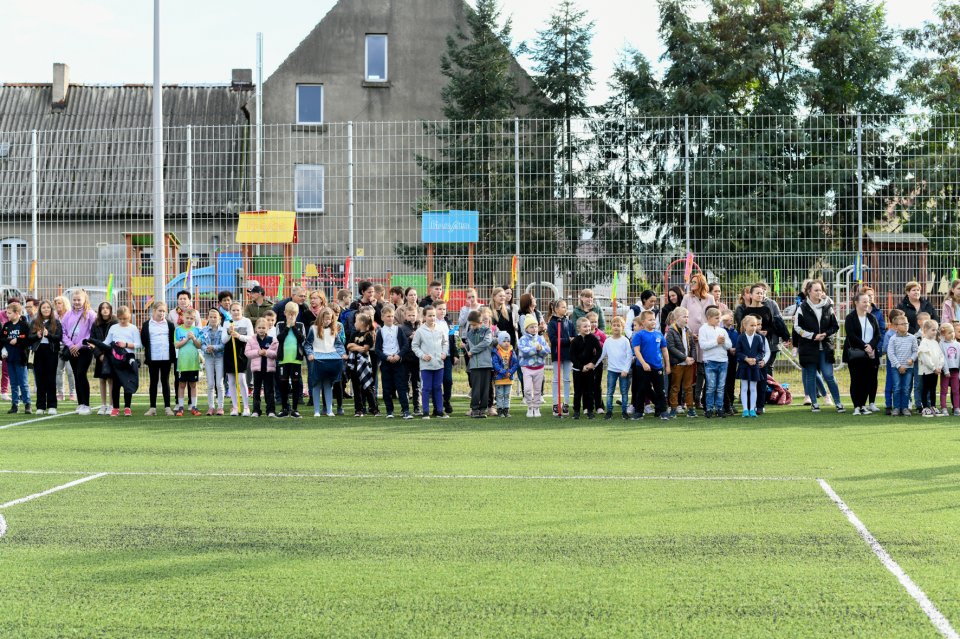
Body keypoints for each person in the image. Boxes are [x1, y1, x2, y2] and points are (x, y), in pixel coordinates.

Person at [794, 280, 844, 413]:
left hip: (825, 348)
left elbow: (835, 326)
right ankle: (814, 403)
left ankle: (838, 402)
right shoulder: (802, 308)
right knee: (810, 375)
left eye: (820, 290)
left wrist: (825, 334)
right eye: (815, 290)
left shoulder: (828, 306)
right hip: (809, 348)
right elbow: (797, 328)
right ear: (808, 292)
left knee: (829, 375)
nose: (818, 293)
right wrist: (812, 336)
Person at [842, 291, 881, 416]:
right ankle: (856, 406)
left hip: (870, 354)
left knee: (867, 380)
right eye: (864, 301)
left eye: (868, 301)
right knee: (856, 380)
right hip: (856, 354)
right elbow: (851, 335)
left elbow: (877, 335)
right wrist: (865, 346)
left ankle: (863, 405)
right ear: (856, 303)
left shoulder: (872, 317)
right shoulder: (850, 318)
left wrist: (871, 346)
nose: (867, 304)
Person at [305, 307, 347, 417]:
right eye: (325, 319)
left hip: (331, 358)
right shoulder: (313, 329)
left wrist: (342, 353)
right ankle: (317, 411)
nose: (327, 321)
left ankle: (329, 410)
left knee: (328, 384)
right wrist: (310, 354)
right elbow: (308, 344)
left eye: (330, 319)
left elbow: (338, 344)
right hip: (317, 358)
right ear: (320, 318)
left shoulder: (334, 329)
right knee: (316, 384)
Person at [681, 274, 715, 410]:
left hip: (705, 339)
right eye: (691, 282)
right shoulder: (687, 297)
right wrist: (690, 333)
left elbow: (713, 317)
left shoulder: (710, 298)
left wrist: (704, 334)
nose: (692, 284)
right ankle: (683, 400)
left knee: (701, 370)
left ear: (701, 283)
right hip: (690, 338)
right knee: (688, 368)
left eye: (694, 282)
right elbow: (681, 315)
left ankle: (698, 398)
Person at [61, 289, 96, 415]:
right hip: (72, 350)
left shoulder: (90, 314)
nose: (76, 302)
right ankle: (80, 403)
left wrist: (79, 345)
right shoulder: (68, 314)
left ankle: (86, 404)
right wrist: (71, 346)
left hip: (85, 350)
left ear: (84, 300)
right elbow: (63, 331)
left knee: (81, 374)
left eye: (79, 300)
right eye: (74, 300)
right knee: (76, 375)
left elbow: (92, 333)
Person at [102, 305, 141, 416]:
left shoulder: (133, 328)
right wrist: (95, 345)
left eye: (125, 318)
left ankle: (127, 407)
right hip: (116, 360)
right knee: (116, 384)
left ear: (129, 316)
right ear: (118, 317)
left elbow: (139, 345)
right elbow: (107, 342)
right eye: (121, 319)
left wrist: (126, 345)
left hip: (128, 359)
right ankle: (115, 408)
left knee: (127, 383)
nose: (123, 321)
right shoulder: (113, 328)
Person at [631, 310, 670, 420]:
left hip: (657, 366)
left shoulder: (659, 334)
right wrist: (643, 363)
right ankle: (639, 412)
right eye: (650, 319)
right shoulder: (639, 335)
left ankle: (663, 411)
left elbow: (665, 350)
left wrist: (667, 366)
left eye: (654, 319)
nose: (653, 321)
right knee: (641, 389)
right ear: (643, 322)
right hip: (643, 367)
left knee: (660, 390)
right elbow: (637, 351)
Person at [375, 304, 411, 419]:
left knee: (401, 387)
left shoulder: (398, 330)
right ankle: (389, 411)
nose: (390, 318)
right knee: (387, 388)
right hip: (386, 363)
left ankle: (405, 410)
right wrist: (386, 357)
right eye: (388, 316)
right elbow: (377, 349)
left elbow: (405, 345)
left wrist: (398, 355)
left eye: (392, 316)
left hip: (398, 362)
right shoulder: (380, 332)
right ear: (382, 318)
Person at [140, 301, 176, 417]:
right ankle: (152, 408)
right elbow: (144, 340)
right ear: (154, 311)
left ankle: (167, 408)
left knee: (165, 381)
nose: (162, 313)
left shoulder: (170, 325)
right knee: (153, 382)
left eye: (164, 311)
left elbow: (172, 340)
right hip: (153, 357)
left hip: (166, 357)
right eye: (160, 311)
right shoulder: (146, 325)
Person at [413, 305, 449, 419]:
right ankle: (426, 412)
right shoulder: (420, 331)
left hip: (439, 364)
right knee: (427, 388)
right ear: (424, 317)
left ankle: (439, 411)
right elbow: (414, 346)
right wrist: (423, 355)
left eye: (433, 315)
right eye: (429, 316)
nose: (432, 318)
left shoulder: (440, 329)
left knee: (438, 387)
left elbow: (445, 342)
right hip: (426, 365)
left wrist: (444, 353)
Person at [273, 301, 307, 418]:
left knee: (296, 383)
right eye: (289, 314)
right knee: (283, 383)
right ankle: (284, 408)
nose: (291, 316)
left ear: (297, 314)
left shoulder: (300, 325)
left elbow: (302, 338)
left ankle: (295, 409)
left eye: (294, 314)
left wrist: (293, 327)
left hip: (296, 359)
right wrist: (287, 327)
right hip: (283, 359)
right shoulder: (280, 325)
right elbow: (280, 338)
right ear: (285, 313)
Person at [28, 300, 62, 415]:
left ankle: (52, 405)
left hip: (51, 352)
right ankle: (40, 406)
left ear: (51, 310)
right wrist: (36, 335)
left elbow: (58, 338)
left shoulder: (56, 322)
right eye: (43, 308)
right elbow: (29, 337)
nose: (46, 309)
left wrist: (48, 335)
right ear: (40, 309)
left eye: (48, 307)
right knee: (40, 379)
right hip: (38, 352)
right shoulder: (34, 322)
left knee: (50, 379)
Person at [596, 315, 631, 420]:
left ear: (622, 327)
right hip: (611, 371)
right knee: (610, 391)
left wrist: (626, 369)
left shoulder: (625, 341)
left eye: (618, 325)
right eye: (614, 325)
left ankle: (624, 412)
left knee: (624, 392)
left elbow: (629, 356)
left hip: (623, 372)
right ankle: (609, 411)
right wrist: (594, 364)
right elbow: (602, 355)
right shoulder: (608, 341)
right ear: (611, 327)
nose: (616, 327)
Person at [665, 307, 697, 419]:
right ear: (677, 318)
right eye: (684, 317)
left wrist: (692, 358)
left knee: (688, 387)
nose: (687, 319)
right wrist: (684, 358)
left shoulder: (688, 330)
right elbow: (671, 347)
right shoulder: (671, 331)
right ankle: (673, 408)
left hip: (688, 364)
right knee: (675, 387)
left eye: (688, 316)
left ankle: (690, 409)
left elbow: (693, 345)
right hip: (678, 364)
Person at [223, 302, 253, 417]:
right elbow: (223, 340)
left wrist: (239, 336)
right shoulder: (227, 323)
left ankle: (246, 407)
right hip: (230, 353)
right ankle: (235, 407)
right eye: (233, 310)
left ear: (241, 311)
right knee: (231, 380)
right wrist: (229, 333)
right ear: (230, 312)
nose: (235, 312)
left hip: (241, 352)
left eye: (237, 310)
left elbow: (251, 338)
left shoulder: (246, 321)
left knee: (241, 379)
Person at [699, 307, 729, 419]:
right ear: (709, 318)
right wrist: (716, 342)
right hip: (710, 361)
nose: (719, 320)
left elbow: (729, 345)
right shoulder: (703, 329)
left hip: (723, 361)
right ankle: (709, 408)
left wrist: (724, 342)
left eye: (719, 318)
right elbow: (703, 345)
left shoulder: (722, 331)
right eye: (716, 318)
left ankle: (720, 408)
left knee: (721, 386)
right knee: (711, 386)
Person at [346, 313, 378, 416]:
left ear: (362, 323)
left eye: (356, 321)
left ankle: (374, 408)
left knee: (367, 386)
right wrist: (358, 347)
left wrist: (355, 347)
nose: (355, 323)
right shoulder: (354, 333)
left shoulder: (369, 334)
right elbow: (348, 346)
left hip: (364, 364)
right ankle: (358, 409)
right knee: (356, 387)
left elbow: (366, 349)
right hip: (354, 364)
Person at [736, 316, 769, 418]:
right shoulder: (741, 337)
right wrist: (746, 359)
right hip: (744, 366)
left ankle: (752, 409)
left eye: (755, 325)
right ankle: (745, 409)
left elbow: (761, 352)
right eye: (751, 325)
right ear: (745, 326)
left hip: (755, 367)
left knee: (753, 388)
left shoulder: (759, 338)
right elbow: (738, 352)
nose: (754, 327)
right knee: (745, 387)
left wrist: (755, 359)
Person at [245, 317, 279, 417]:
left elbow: (276, 353)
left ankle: (271, 411)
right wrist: (258, 352)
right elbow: (247, 353)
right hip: (257, 370)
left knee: (269, 390)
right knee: (256, 390)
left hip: (269, 370)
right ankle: (256, 410)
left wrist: (266, 352)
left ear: (267, 328)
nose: (261, 330)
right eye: (259, 328)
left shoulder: (272, 340)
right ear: (256, 329)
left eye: (263, 328)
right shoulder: (251, 340)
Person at [2, 301, 31, 414]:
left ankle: (27, 404)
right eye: (7, 313)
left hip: (21, 358)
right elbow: (2, 338)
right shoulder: (6, 326)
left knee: (23, 383)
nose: (7, 315)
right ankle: (15, 404)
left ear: (17, 313)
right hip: (10, 358)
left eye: (9, 313)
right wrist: (9, 340)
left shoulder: (24, 325)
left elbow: (27, 339)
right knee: (13, 383)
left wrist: (17, 340)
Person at [569, 317, 602, 420]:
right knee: (578, 391)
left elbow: (599, 351)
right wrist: (581, 366)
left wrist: (592, 363)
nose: (588, 328)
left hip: (590, 370)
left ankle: (590, 411)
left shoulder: (593, 338)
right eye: (585, 326)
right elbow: (572, 356)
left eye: (588, 326)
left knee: (589, 391)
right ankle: (576, 411)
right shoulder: (575, 341)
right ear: (579, 328)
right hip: (578, 370)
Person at [464, 309, 495, 418]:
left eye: (474, 325)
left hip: (486, 364)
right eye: (471, 325)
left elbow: (486, 342)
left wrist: (473, 350)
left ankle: (483, 409)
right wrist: (466, 348)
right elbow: (470, 347)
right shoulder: (469, 333)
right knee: (476, 389)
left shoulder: (487, 331)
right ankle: (475, 409)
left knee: (485, 389)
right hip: (475, 366)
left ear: (481, 323)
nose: (472, 327)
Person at [547, 299, 575, 417]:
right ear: (556, 309)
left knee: (567, 379)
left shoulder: (569, 323)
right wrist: (567, 340)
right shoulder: (552, 323)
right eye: (563, 307)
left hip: (568, 354)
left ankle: (566, 403)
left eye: (566, 307)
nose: (565, 309)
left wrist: (571, 340)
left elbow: (574, 336)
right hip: (557, 354)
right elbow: (553, 340)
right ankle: (555, 404)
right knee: (556, 379)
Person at [518, 315, 550, 417]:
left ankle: (536, 408)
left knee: (537, 390)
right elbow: (523, 352)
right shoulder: (522, 339)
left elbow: (547, 351)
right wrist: (535, 349)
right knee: (527, 389)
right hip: (526, 367)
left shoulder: (541, 339)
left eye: (535, 326)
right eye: (531, 327)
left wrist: (541, 350)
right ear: (526, 328)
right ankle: (530, 406)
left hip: (539, 367)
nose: (534, 329)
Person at [887, 313, 918, 416]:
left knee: (906, 388)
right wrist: (898, 366)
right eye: (903, 324)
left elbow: (915, 351)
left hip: (909, 367)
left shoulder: (912, 338)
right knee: (896, 387)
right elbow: (891, 353)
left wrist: (912, 359)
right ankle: (896, 407)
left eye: (907, 323)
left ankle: (905, 408)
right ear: (896, 326)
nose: (906, 325)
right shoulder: (893, 339)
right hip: (896, 368)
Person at [173, 309, 203, 416]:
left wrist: (194, 338)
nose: (189, 320)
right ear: (183, 318)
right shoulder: (178, 330)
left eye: (191, 318)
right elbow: (176, 345)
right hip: (182, 363)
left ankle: (194, 407)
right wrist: (186, 339)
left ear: (194, 319)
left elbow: (199, 346)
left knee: (193, 385)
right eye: (187, 318)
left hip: (193, 363)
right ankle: (180, 407)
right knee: (181, 385)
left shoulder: (197, 330)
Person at [861, 286, 886, 411]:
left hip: (875, 349)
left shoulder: (878, 312)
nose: (870, 298)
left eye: (872, 295)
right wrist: (864, 347)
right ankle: (861, 403)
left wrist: (876, 348)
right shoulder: (856, 312)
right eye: (868, 295)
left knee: (873, 377)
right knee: (861, 377)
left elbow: (881, 331)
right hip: (861, 350)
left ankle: (872, 402)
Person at [89, 302, 116, 415]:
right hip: (100, 356)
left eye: (107, 308)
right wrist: (99, 354)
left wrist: (109, 354)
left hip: (111, 355)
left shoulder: (115, 323)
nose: (105, 310)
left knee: (111, 380)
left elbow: (116, 340)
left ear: (110, 310)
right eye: (102, 308)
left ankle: (111, 404)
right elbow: (92, 341)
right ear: (99, 311)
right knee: (102, 379)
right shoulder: (95, 324)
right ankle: (103, 405)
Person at [201, 308, 226, 416]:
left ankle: (220, 407)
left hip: (219, 358)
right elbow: (201, 344)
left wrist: (214, 347)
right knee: (210, 384)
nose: (213, 319)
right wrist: (206, 348)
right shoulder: (204, 330)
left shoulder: (222, 330)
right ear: (208, 318)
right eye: (211, 317)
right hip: (208, 358)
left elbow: (223, 345)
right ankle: (211, 407)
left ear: (219, 318)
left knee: (219, 384)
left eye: (215, 317)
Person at [52, 295, 77, 404]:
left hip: (69, 347)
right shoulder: (54, 317)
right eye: (56, 303)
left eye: (59, 303)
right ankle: (60, 393)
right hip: (58, 347)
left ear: (65, 304)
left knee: (71, 371)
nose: (57, 305)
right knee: (58, 371)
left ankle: (73, 392)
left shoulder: (70, 315)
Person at [917, 319, 945, 417]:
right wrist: (933, 368)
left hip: (935, 371)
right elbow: (925, 358)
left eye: (936, 330)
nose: (935, 332)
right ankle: (925, 407)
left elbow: (941, 355)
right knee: (925, 389)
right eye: (933, 330)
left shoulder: (935, 342)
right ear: (925, 330)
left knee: (933, 389)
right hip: (927, 371)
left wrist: (939, 366)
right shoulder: (924, 343)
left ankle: (933, 406)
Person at [435, 300, 458, 415]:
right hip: (436, 357)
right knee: (437, 381)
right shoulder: (431, 322)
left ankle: (446, 400)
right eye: (439, 309)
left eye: (444, 309)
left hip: (448, 356)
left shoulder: (449, 322)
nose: (442, 311)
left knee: (448, 380)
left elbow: (454, 338)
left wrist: (456, 354)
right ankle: (437, 404)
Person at [881, 309, 906, 416]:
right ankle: (888, 405)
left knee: (903, 383)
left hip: (904, 363)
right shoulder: (889, 334)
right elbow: (885, 349)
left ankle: (902, 405)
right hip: (892, 363)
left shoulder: (906, 334)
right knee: (891, 383)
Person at [397, 305, 421, 414]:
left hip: (417, 360)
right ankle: (405, 408)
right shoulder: (401, 329)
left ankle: (417, 407)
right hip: (405, 360)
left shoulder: (421, 328)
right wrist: (409, 338)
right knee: (404, 384)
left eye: (413, 315)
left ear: (417, 316)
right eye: (409, 315)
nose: (412, 317)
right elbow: (400, 344)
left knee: (417, 384)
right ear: (405, 316)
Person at [720, 310, 739, 416]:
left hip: (733, 360)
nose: (731, 318)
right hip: (724, 359)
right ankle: (724, 404)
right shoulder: (721, 330)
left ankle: (731, 403)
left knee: (731, 383)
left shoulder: (735, 332)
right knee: (725, 382)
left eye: (732, 316)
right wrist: (729, 349)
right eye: (728, 316)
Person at [587, 312, 607, 413]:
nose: (594, 324)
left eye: (596, 322)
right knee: (587, 385)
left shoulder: (601, 334)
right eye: (592, 322)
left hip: (598, 363)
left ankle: (599, 406)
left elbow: (605, 345)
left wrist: (598, 343)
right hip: (587, 363)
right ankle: (587, 406)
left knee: (597, 385)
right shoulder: (584, 334)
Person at [939, 323, 960, 417]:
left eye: (953, 332)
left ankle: (956, 407)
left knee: (956, 390)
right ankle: (943, 407)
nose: (952, 334)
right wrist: (946, 370)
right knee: (944, 390)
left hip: (955, 371)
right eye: (949, 332)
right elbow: (942, 358)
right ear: (943, 334)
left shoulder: (958, 344)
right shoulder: (941, 344)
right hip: (945, 371)